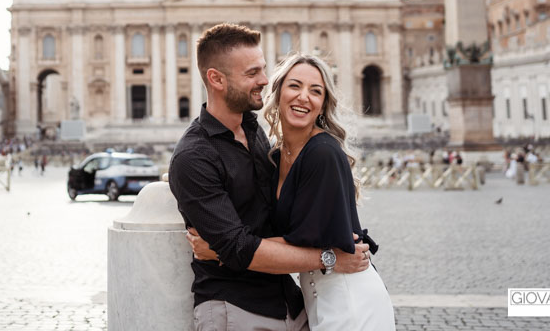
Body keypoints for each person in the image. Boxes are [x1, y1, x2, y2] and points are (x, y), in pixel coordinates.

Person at [169, 24, 371, 331]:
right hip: (235, 308)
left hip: (291, 303)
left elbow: (283, 225)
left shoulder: (256, 133)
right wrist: (329, 258)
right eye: (252, 73)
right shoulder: (194, 157)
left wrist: (218, 250)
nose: (265, 80)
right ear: (216, 79)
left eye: (263, 69)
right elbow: (238, 247)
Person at [258, 52, 395, 330]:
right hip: (320, 298)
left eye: (315, 91)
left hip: (351, 300)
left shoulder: (322, 153)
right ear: (278, 92)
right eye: (295, 86)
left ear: (322, 105)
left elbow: (303, 246)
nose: (304, 97)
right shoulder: (277, 155)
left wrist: (225, 249)